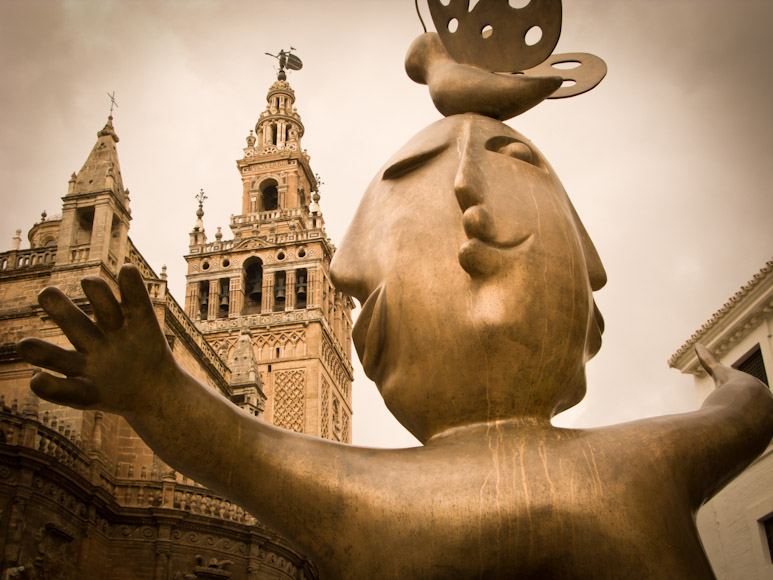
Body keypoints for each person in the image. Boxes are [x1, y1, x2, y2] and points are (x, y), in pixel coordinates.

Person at [18, 112, 773, 579]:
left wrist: (155, 391)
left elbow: (225, 445)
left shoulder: (364, 494)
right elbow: (743, 411)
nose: (472, 215)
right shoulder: (632, 468)